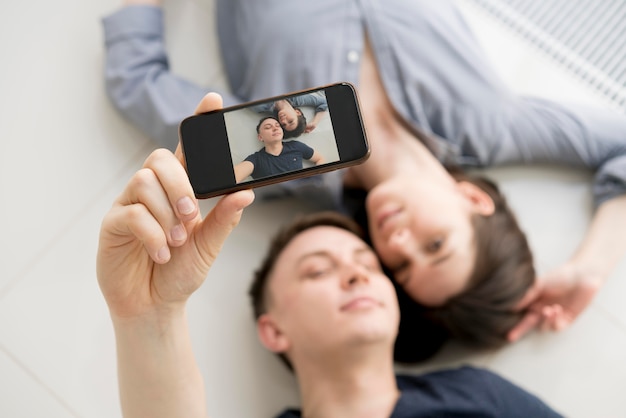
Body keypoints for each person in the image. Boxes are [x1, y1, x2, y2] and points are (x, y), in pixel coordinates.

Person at [102, 0, 626, 360]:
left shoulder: (279, 168)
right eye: (435, 244)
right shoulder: (493, 125)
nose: (398, 239)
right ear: (473, 198)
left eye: (398, 262)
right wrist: (590, 268)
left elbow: (135, 81)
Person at [95, 92, 563, 417]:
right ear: (274, 330)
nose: (358, 276)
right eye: (318, 270)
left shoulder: (483, 401)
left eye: (373, 265)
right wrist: (148, 316)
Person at [234, 116, 325, 183]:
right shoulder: (256, 160)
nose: (275, 128)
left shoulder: (296, 146)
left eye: (277, 125)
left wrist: (315, 179)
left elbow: (320, 159)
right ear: (260, 137)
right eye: (268, 127)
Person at [252, 92, 328, 138]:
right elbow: (325, 102)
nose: (283, 120)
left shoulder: (260, 106)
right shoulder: (298, 99)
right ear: (297, 112)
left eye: (284, 124)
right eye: (291, 121)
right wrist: (315, 122)